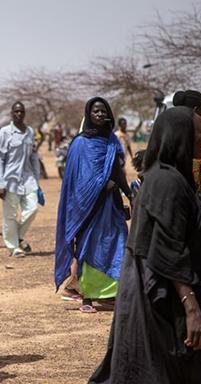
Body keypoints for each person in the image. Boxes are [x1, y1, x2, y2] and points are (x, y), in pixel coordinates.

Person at [54, 106, 201, 384]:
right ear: (180, 137)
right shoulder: (167, 183)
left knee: (139, 370)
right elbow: (167, 249)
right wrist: (191, 308)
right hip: (163, 301)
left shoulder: (169, 178)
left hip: (150, 297)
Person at [55, 97, 132, 314]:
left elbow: (118, 172)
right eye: (95, 111)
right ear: (89, 114)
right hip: (87, 206)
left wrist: (128, 194)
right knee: (87, 247)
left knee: (117, 242)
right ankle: (87, 297)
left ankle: (111, 294)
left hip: (111, 204)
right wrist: (99, 186)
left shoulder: (112, 141)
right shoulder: (80, 143)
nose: (99, 114)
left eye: (102, 111)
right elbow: (75, 179)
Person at [0, 101, 40, 258]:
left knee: (32, 209)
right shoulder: (5, 132)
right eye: (16, 112)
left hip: (28, 178)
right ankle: (13, 247)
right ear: (12, 114)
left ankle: (18, 236)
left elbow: (34, 155)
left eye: (21, 112)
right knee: (10, 216)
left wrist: (37, 178)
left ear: (24, 113)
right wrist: (0, 183)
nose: (19, 114)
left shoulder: (30, 132)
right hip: (10, 180)